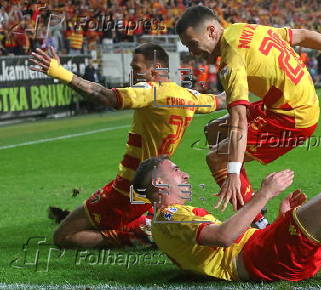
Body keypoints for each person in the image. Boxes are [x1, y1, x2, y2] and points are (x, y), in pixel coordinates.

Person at [175, 6, 321, 226]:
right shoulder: (244, 29)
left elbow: (239, 121)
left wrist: (233, 173)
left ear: (211, 31)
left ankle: (257, 224)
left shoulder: (231, 59)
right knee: (214, 130)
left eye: (192, 44)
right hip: (292, 104)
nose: (192, 52)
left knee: (217, 158)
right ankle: (251, 201)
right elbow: (304, 35)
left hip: (292, 118)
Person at [29, 43, 226, 248]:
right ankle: (146, 224)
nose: (133, 73)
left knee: (63, 236)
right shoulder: (189, 97)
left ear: (156, 69)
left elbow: (106, 97)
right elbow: (221, 100)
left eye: (137, 68)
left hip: (129, 188)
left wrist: (59, 72)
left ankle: (139, 236)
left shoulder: (151, 92)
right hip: (153, 184)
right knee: (100, 216)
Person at [133, 156, 321, 282]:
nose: (183, 174)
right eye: (174, 171)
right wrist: (263, 194)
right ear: (158, 185)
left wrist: (281, 220)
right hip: (260, 260)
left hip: (264, 251)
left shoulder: (168, 219)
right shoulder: (169, 215)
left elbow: (234, 237)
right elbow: (223, 238)